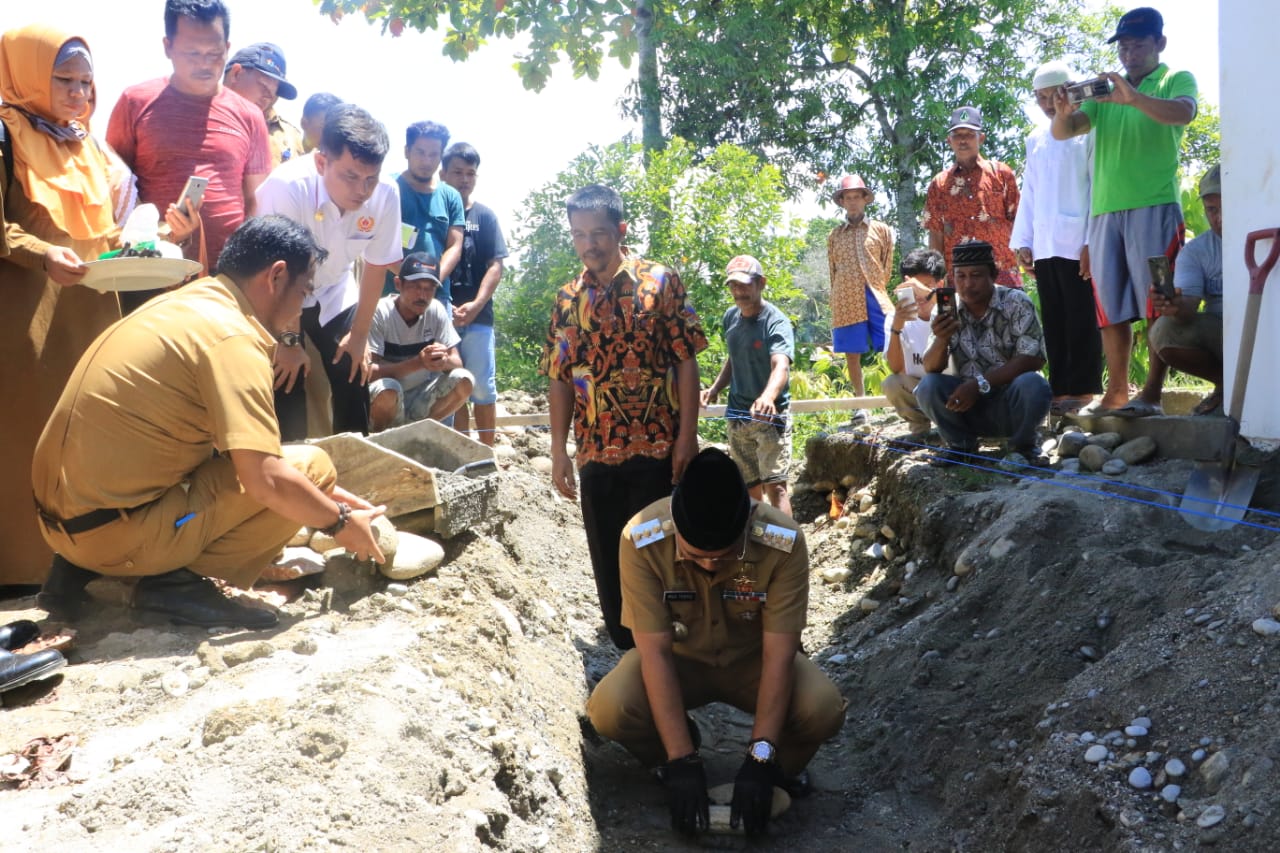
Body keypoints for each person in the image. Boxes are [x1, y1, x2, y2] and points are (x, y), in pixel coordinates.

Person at [32, 216, 386, 629]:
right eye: (305, 291)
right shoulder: (233, 338)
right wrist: (340, 522)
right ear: (276, 276)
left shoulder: (188, 304)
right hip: (113, 534)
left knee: (304, 478)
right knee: (314, 464)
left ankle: (80, 573)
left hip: (64, 525)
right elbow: (265, 479)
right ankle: (171, 585)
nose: (302, 307)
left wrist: (330, 499)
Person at [586, 448, 846, 838]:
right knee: (610, 709)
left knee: (822, 709)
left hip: (753, 663)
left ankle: (778, 772)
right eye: (696, 556)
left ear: (746, 523)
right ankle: (674, 750)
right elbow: (653, 651)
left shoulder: (783, 541)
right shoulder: (641, 538)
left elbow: (779, 657)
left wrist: (760, 757)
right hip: (678, 662)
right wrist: (680, 760)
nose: (709, 565)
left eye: (723, 557)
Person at [540, 184, 708, 650]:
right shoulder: (567, 299)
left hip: (659, 450)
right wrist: (559, 450)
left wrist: (687, 438)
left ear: (621, 229)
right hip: (597, 453)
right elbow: (559, 376)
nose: (589, 244)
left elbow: (686, 359)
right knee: (612, 570)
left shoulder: (660, 282)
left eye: (597, 233)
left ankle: (680, 663)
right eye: (579, 235)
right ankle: (631, 664)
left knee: (665, 563)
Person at [0, 25, 129, 587]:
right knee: (24, 441)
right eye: (64, 79)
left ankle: (85, 566)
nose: (79, 93)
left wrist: (153, 238)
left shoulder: (87, 143)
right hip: (27, 320)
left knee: (88, 439)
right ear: (28, 73)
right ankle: (21, 572)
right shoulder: (5, 135)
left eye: (85, 81)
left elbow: (100, 232)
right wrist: (39, 252)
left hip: (91, 313)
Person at [1051, 6, 1197, 417]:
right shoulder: (1102, 90)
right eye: (1123, 46)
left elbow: (1184, 112)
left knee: (1159, 300)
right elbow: (1066, 132)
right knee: (1109, 306)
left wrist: (1133, 97)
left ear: (1159, 44)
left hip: (1156, 208)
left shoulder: (1175, 79)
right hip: (1104, 214)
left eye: (1137, 44)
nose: (1128, 53)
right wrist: (1063, 113)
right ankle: (1116, 392)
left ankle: (1151, 394)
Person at [107, 0, 271, 304]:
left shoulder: (250, 116)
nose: (205, 64)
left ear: (228, 47)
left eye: (214, 54)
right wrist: (164, 233)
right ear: (168, 47)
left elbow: (257, 202)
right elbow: (114, 192)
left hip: (226, 281)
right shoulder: (134, 102)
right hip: (149, 274)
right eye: (193, 54)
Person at [256, 103, 402, 440]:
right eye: (350, 176)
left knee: (354, 368)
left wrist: (361, 335)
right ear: (322, 162)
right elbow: (283, 273)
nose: (362, 191)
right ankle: (292, 464)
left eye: (370, 179)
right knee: (287, 375)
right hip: (276, 287)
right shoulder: (289, 187)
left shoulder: (386, 195)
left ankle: (357, 462)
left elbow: (377, 266)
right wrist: (290, 341)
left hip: (334, 287)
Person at [1011, 61, 1102, 416]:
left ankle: (1083, 387)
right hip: (1046, 242)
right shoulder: (1035, 138)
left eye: (1054, 95)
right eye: (1041, 97)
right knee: (1054, 316)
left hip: (1077, 238)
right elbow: (1030, 191)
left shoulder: (1087, 129)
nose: (1049, 103)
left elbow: (1097, 186)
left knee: (1081, 314)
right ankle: (1061, 386)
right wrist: (1024, 240)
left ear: (1070, 90)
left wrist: (1092, 241)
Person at [916, 241, 1052, 467]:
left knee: (1034, 384)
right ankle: (961, 447)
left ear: (993, 275)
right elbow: (930, 368)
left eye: (976, 275)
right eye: (961, 276)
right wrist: (941, 338)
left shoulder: (1016, 302)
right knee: (928, 386)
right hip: (968, 407)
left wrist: (978, 385)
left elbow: (1033, 358)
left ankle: (1023, 448)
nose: (968, 284)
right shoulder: (948, 310)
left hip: (1011, 402)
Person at [700, 255, 794, 516]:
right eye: (733, 286)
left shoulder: (775, 321)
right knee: (749, 488)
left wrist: (767, 397)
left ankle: (786, 550)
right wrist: (716, 388)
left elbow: (781, 365)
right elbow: (734, 356)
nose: (738, 292)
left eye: (744, 285)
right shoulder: (731, 317)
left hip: (770, 419)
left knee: (776, 488)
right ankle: (757, 544)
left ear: (760, 283)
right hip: (737, 417)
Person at [440, 142, 508, 446]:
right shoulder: (436, 214)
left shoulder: (486, 217)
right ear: (443, 174)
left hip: (479, 318)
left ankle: (486, 454)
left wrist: (477, 304)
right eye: (457, 172)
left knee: (482, 389)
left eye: (470, 173)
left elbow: (496, 265)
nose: (464, 179)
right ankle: (460, 450)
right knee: (453, 385)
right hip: (440, 316)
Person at [368, 252, 474, 431]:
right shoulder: (380, 312)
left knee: (464, 380)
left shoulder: (436, 310)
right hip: (384, 398)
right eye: (416, 286)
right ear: (398, 284)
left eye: (429, 288)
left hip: (420, 397)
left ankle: (419, 431)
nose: (422, 295)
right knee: (388, 391)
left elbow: (457, 363)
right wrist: (418, 363)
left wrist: (441, 360)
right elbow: (368, 372)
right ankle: (381, 440)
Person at [1149, 165, 1222, 415]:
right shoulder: (1196, 251)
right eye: (1212, 210)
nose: (1219, 218)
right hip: (1222, 332)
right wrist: (1174, 306)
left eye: (1226, 207)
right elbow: (1188, 307)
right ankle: (1226, 383)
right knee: (1164, 330)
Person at [922, 106, 1022, 287]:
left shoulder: (1001, 173)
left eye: (969, 134)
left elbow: (1019, 221)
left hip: (1002, 274)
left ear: (981, 138)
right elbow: (936, 234)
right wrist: (937, 279)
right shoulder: (939, 184)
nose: (963, 140)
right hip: (959, 280)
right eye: (957, 135)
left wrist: (1027, 257)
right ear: (949, 141)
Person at [826, 174, 894, 427]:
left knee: (892, 342)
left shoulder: (881, 230)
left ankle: (902, 396)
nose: (853, 202)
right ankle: (861, 404)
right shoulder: (835, 235)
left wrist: (877, 285)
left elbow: (887, 265)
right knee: (852, 354)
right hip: (845, 297)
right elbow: (832, 269)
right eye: (848, 198)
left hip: (875, 293)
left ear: (865, 199)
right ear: (842, 202)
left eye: (857, 197)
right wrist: (838, 297)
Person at [881, 249, 946, 441]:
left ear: (939, 285)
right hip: (918, 389)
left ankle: (957, 428)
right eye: (913, 289)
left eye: (925, 287)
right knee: (892, 383)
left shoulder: (949, 308)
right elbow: (896, 368)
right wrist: (896, 329)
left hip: (952, 388)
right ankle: (920, 429)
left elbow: (955, 305)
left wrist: (931, 295)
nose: (919, 296)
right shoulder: (895, 318)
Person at [393, 121, 463, 300]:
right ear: (407, 151)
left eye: (433, 154)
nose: (426, 161)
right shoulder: (388, 188)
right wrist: (408, 280)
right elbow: (374, 241)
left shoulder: (451, 196)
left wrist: (430, 281)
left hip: (436, 299)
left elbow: (455, 246)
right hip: (390, 294)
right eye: (420, 152)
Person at [222, 42, 303, 167]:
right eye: (263, 86)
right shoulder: (195, 115)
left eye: (275, 91)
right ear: (236, 74)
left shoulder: (291, 137)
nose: (268, 97)